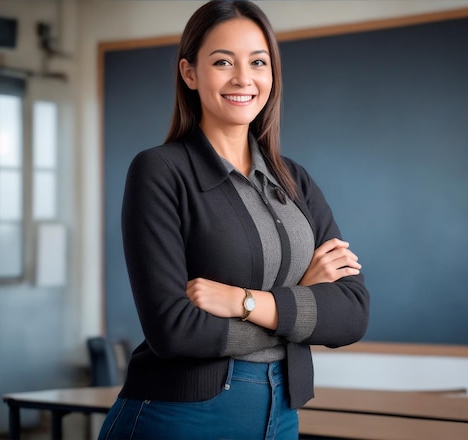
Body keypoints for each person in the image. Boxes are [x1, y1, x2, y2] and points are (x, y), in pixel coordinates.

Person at [98, 0, 370, 439]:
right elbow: (175, 332)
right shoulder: (160, 171)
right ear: (190, 73)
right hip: (180, 416)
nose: (244, 78)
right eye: (223, 61)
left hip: (280, 414)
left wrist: (243, 302)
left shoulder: (294, 178)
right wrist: (302, 301)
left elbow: (352, 315)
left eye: (258, 62)